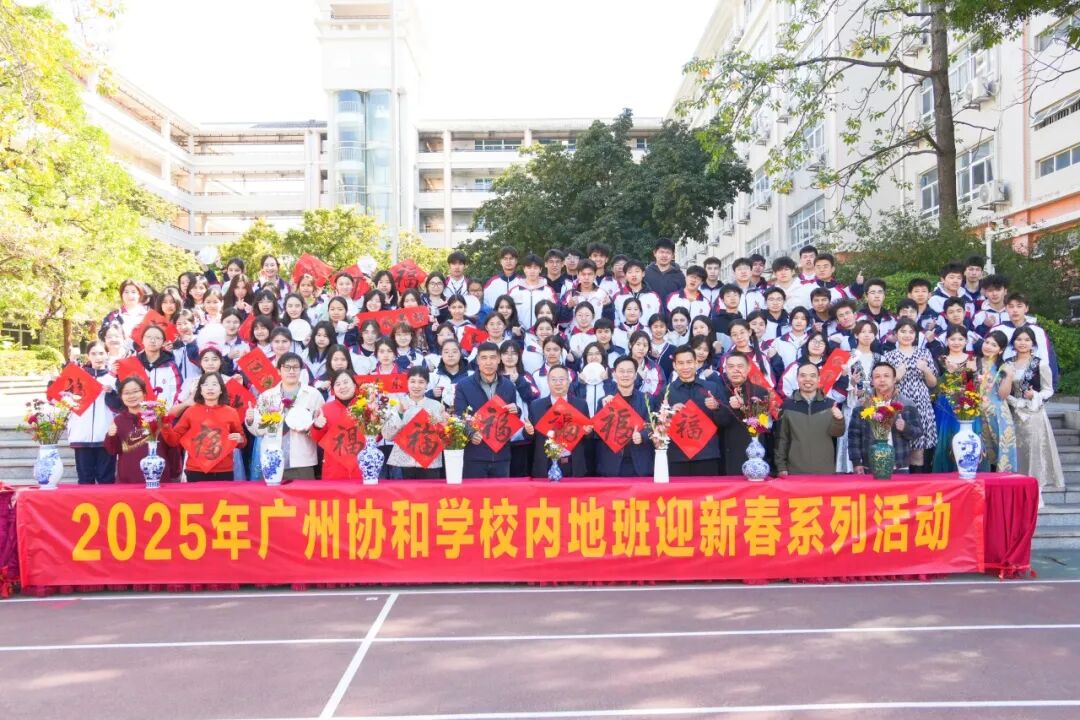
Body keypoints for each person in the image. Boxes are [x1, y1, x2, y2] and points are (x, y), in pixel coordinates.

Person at [454, 342, 534, 478]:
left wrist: (517, 410)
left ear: (499, 360)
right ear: (477, 360)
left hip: (502, 455)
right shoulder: (463, 385)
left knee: (501, 492)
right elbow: (459, 416)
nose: (488, 362)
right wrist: (471, 433)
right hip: (475, 454)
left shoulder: (508, 386)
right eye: (484, 358)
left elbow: (512, 417)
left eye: (492, 357)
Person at [245, 352, 324, 481]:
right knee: (271, 494)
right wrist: (250, 420)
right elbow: (259, 430)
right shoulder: (267, 396)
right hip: (272, 459)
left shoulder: (313, 395)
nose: (291, 371)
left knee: (303, 494)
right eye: (287, 367)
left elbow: (321, 428)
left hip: (302, 461)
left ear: (301, 370)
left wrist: (315, 426)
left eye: (295, 367)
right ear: (278, 371)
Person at [1006, 326, 1065, 490]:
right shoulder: (1007, 364)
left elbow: (1048, 390)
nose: (1022, 343)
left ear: (1033, 343)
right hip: (1012, 413)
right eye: (1019, 339)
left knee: (1034, 453)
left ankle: (1035, 493)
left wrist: (1035, 395)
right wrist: (1013, 401)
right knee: (1015, 452)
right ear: (1013, 342)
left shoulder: (1040, 364)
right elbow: (1002, 389)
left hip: (1033, 415)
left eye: (1027, 340)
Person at [160, 371, 246, 481]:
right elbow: (174, 440)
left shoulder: (231, 412)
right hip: (195, 470)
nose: (210, 388)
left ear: (221, 389)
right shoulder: (190, 411)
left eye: (214, 384)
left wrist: (240, 439)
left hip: (224, 470)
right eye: (206, 385)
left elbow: (242, 441)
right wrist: (165, 426)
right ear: (200, 390)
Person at [664, 344, 734, 476]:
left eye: (689, 362)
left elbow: (726, 421)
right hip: (677, 456)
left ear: (696, 363)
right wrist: (669, 412)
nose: (685, 367)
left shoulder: (712, 388)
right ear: (674, 365)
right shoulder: (666, 391)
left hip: (707, 455)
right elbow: (656, 424)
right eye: (681, 363)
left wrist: (717, 407)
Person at [882, 318, 938, 471]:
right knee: (899, 445)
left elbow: (933, 383)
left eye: (911, 332)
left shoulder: (924, 353)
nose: (907, 335)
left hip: (921, 403)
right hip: (899, 403)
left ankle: (917, 483)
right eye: (903, 331)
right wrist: (897, 376)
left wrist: (925, 369)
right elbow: (883, 384)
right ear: (896, 334)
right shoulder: (889, 356)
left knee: (918, 450)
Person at [847, 362, 921, 475]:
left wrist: (905, 428)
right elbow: (854, 436)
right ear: (872, 381)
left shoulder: (906, 403)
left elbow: (918, 432)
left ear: (894, 379)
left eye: (886, 376)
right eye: (877, 376)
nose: (882, 380)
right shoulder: (862, 404)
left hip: (899, 466)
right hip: (869, 466)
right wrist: (856, 462)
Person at [775, 363, 845, 475]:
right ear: (797, 378)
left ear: (819, 378)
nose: (808, 379)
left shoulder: (830, 404)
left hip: (825, 471)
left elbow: (837, 433)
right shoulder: (787, 406)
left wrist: (839, 419)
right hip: (795, 472)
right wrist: (781, 467)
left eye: (812, 376)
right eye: (803, 375)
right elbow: (781, 439)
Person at [105, 377, 176, 484]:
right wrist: (111, 435)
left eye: (135, 391)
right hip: (128, 479)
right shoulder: (119, 420)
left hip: (158, 478)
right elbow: (113, 450)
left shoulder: (158, 417)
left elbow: (172, 446)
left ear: (144, 393)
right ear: (121, 396)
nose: (131, 396)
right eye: (126, 393)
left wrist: (175, 473)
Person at [67, 341, 118, 484]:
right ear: (88, 355)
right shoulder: (77, 377)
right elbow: (63, 399)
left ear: (107, 354)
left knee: (106, 479)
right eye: (93, 353)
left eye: (101, 353)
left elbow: (120, 406)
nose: (98, 357)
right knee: (85, 479)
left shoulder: (114, 378)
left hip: (106, 435)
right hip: (81, 435)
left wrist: (111, 393)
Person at [594, 356, 654, 477]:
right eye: (621, 371)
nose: (625, 375)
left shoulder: (647, 399)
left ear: (635, 375)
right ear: (614, 374)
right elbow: (598, 432)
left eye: (629, 371)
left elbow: (653, 426)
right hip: (612, 464)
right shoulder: (605, 401)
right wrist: (606, 410)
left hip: (640, 463)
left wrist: (642, 436)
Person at [528, 365, 591, 478]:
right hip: (545, 465)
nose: (558, 383)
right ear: (548, 382)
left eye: (562, 379)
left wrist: (588, 432)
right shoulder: (536, 406)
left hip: (573, 464)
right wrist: (528, 431)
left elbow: (588, 437)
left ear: (569, 381)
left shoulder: (580, 405)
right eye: (554, 379)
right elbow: (530, 438)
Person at [383, 366, 446, 479]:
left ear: (427, 385)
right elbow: (387, 435)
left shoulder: (437, 406)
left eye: (421, 382)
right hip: (402, 463)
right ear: (407, 383)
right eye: (412, 381)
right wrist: (400, 413)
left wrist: (441, 422)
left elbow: (445, 436)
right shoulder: (396, 405)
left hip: (430, 463)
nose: (416, 386)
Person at [931, 323, 977, 473]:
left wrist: (967, 372)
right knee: (945, 439)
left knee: (965, 440)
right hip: (945, 405)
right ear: (946, 341)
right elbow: (935, 384)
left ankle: (966, 470)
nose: (956, 342)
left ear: (966, 341)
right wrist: (948, 373)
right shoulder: (940, 359)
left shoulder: (971, 359)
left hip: (966, 405)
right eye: (952, 339)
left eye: (960, 339)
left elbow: (971, 385)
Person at [719, 352, 771, 475]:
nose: (735, 370)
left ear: (748, 368)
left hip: (751, 455)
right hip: (725, 455)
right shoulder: (719, 391)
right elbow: (719, 422)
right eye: (731, 366)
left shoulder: (760, 392)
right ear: (725, 370)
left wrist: (744, 406)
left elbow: (763, 424)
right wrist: (717, 408)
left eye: (740, 366)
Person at [976, 330, 1017, 473]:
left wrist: (1008, 376)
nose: (988, 346)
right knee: (981, 452)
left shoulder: (1004, 367)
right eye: (987, 342)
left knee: (1001, 451)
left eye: (994, 345)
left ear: (1000, 350)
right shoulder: (974, 362)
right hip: (976, 413)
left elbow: (1003, 395)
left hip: (998, 414)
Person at [309, 369, 360, 481]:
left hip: (361, 466)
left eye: (346, 382)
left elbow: (377, 436)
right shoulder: (326, 409)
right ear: (333, 389)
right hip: (334, 468)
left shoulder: (365, 407)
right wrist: (317, 426)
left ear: (354, 385)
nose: (342, 387)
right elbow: (316, 438)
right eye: (338, 384)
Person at [644, 237, 684, 304]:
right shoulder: (645, 274)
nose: (664, 255)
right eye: (661, 252)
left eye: (668, 252)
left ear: (673, 255)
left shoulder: (679, 276)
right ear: (654, 253)